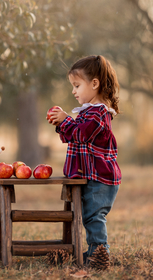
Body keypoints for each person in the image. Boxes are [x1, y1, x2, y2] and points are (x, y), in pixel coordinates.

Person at [47, 55, 121, 262]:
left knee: (93, 216)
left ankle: (100, 254)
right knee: (87, 216)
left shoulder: (99, 113)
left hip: (100, 179)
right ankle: (93, 251)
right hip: (90, 177)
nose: (73, 91)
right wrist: (62, 122)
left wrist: (66, 120)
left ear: (94, 84)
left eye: (77, 85)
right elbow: (72, 136)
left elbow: (81, 134)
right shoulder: (87, 112)